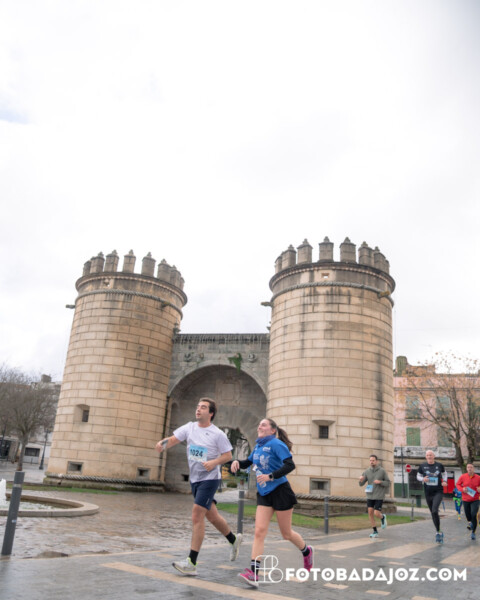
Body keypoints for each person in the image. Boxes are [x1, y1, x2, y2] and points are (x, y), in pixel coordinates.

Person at [155, 397, 242, 575]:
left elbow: (227, 455)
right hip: (195, 479)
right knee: (212, 516)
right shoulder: (189, 427)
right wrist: (162, 444)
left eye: (203, 407)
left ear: (211, 413)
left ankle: (191, 563)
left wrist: (213, 463)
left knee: (197, 515)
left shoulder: (217, 434)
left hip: (210, 478)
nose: (198, 409)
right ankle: (233, 539)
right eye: (198, 406)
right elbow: (173, 439)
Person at [231, 418, 313, 589]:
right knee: (259, 531)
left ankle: (307, 551)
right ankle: (253, 573)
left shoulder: (276, 444)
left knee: (286, 534)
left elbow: (290, 465)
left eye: (264, 424)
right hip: (264, 494)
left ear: (273, 430)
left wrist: (271, 476)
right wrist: (238, 462)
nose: (259, 426)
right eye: (259, 424)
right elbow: (249, 462)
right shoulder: (258, 446)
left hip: (281, 491)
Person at [417, 449, 447, 543]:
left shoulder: (439, 465)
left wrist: (445, 481)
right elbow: (418, 476)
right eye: (427, 455)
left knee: (434, 510)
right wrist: (423, 479)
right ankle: (438, 531)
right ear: (426, 457)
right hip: (428, 492)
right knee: (433, 513)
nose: (429, 456)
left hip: (438, 491)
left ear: (434, 456)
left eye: (431, 455)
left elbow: (444, 474)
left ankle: (437, 533)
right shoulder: (422, 466)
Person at [358, 454, 390, 538]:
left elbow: (388, 483)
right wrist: (360, 480)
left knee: (376, 513)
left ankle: (382, 517)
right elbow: (361, 484)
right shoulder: (366, 471)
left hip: (379, 495)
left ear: (376, 461)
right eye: (370, 460)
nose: (371, 462)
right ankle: (375, 531)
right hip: (370, 495)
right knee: (370, 513)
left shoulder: (382, 471)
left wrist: (380, 482)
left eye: (373, 460)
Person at [455, 463, 480, 540]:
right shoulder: (463, 476)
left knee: (473, 514)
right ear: (466, 469)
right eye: (468, 467)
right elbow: (458, 484)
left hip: (475, 499)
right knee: (468, 515)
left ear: (473, 469)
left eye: (471, 467)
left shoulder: (478, 477)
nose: (469, 469)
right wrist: (462, 489)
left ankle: (473, 532)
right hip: (465, 499)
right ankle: (470, 522)